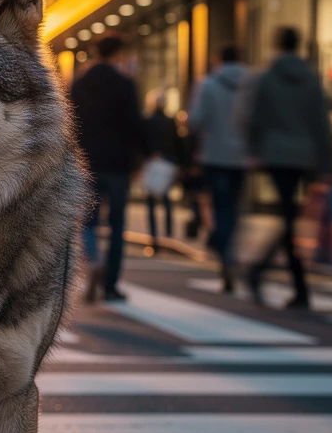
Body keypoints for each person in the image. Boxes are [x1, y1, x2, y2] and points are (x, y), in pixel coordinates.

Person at [245, 26, 332, 309]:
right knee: (288, 217)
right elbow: (321, 123)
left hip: (276, 153)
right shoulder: (310, 78)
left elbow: (255, 118)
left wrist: (255, 150)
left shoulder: (267, 78)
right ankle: (292, 284)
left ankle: (263, 272)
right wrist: (327, 163)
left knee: (287, 217)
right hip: (304, 154)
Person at [69, 33, 148, 302]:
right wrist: (140, 160)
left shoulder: (80, 85)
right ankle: (111, 285)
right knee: (117, 225)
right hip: (118, 164)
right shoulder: (125, 85)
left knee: (86, 220)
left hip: (86, 162)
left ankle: (92, 258)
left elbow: (70, 125)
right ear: (117, 55)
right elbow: (135, 125)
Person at [189, 44, 250, 292]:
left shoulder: (208, 85)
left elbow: (195, 120)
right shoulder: (251, 86)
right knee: (233, 209)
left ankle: (220, 244)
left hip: (214, 156)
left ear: (218, 60)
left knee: (219, 205)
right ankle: (226, 252)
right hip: (242, 158)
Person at [141, 90, 180, 248]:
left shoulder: (147, 121)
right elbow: (177, 143)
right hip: (168, 162)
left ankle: (154, 235)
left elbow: (142, 142)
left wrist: (148, 155)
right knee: (166, 197)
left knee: (151, 200)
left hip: (152, 162)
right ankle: (168, 233)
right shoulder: (170, 122)